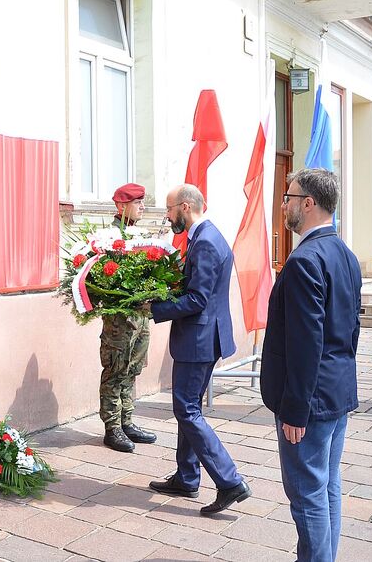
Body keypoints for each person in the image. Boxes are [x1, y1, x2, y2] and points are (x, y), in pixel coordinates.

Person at [261, 169, 360, 562]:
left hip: (310, 401)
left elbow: (306, 342)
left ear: (308, 203)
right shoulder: (344, 253)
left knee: (307, 495)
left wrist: (296, 408)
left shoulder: (305, 260)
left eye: (288, 197)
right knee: (326, 485)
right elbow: (352, 330)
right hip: (335, 390)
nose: (283, 204)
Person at [147, 184, 251, 515]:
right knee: (188, 408)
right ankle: (187, 477)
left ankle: (229, 481)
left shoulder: (204, 241)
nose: (167, 215)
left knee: (187, 410)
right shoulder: (207, 235)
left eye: (169, 209)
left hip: (199, 340)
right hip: (205, 337)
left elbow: (197, 299)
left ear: (186, 206)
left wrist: (154, 308)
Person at [101, 183, 158, 452]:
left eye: (142, 202)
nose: (142, 207)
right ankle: (112, 428)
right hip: (120, 321)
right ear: (121, 206)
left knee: (132, 370)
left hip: (140, 317)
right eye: (137, 202)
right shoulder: (109, 237)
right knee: (116, 370)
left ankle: (126, 421)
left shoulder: (139, 235)